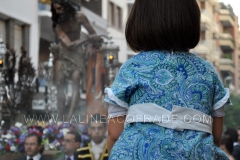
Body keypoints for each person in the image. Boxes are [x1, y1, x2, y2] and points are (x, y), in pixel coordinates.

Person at [104, 0, 231, 159]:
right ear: (191, 20)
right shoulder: (207, 73)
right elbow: (216, 136)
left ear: (140, 20)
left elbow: (114, 133)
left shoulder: (132, 69)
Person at [50, 0, 102, 121]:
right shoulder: (57, 25)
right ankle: (61, 119)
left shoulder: (80, 17)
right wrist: (87, 39)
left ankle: (69, 119)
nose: (58, 12)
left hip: (77, 54)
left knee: (76, 80)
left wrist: (90, 44)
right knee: (60, 84)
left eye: (59, 8)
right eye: (55, 9)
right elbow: (69, 45)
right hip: (63, 53)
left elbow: (94, 36)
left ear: (66, 7)